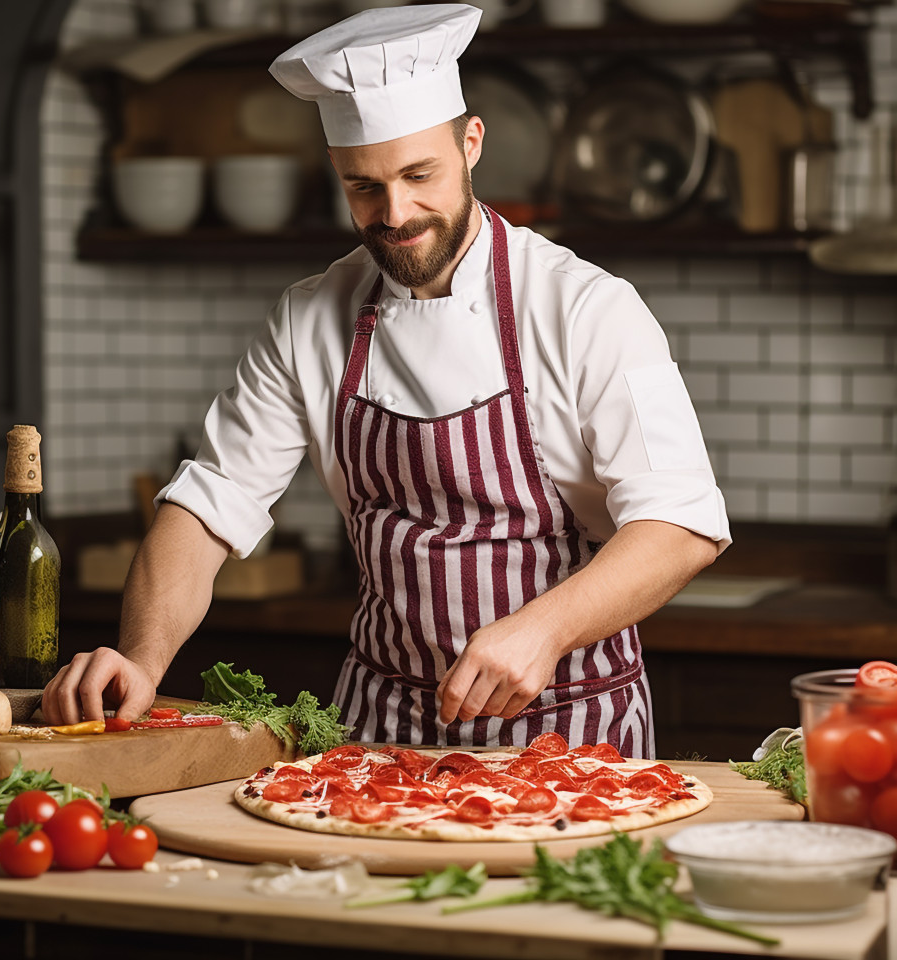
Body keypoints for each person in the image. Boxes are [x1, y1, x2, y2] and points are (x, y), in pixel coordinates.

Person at [42, 4, 730, 756]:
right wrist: (142, 660)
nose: (395, 213)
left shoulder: (586, 307)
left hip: (571, 726)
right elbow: (209, 505)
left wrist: (541, 629)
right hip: (378, 728)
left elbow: (681, 527)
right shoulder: (311, 316)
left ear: (471, 144)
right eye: (363, 186)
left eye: (418, 174)